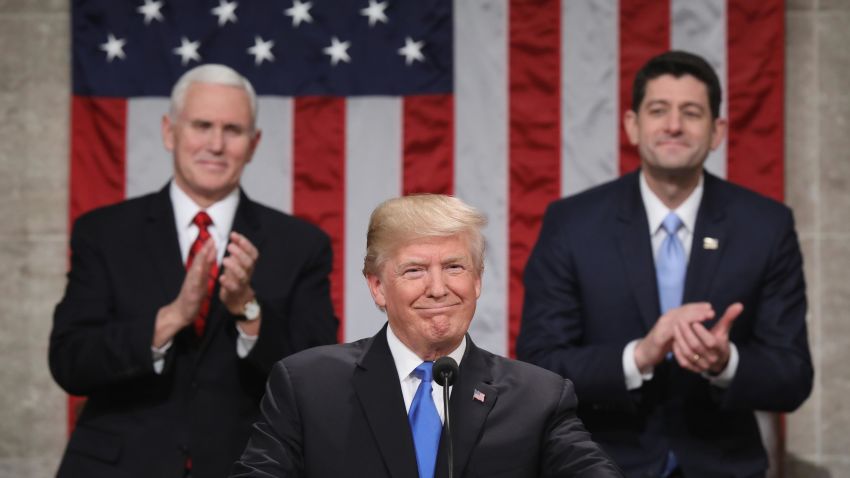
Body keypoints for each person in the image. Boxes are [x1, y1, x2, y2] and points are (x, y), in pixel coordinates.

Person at [516, 50, 813, 477]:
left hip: (724, 466)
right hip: (600, 465)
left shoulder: (766, 226)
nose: (674, 125)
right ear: (633, 126)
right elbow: (540, 365)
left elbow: (793, 376)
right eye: (658, 111)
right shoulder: (572, 223)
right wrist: (639, 356)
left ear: (717, 131)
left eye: (691, 113)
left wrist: (724, 362)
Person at [49, 64, 338, 478]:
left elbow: (317, 379)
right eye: (202, 125)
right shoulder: (104, 233)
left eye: (233, 130)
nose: (216, 144)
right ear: (170, 132)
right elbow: (70, 361)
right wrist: (170, 319)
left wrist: (249, 311)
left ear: (253, 144)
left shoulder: (300, 244)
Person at [230, 194, 622, 477]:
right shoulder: (307, 387)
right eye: (415, 270)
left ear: (478, 280)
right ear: (378, 287)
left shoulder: (539, 398)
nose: (438, 288)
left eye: (454, 266)